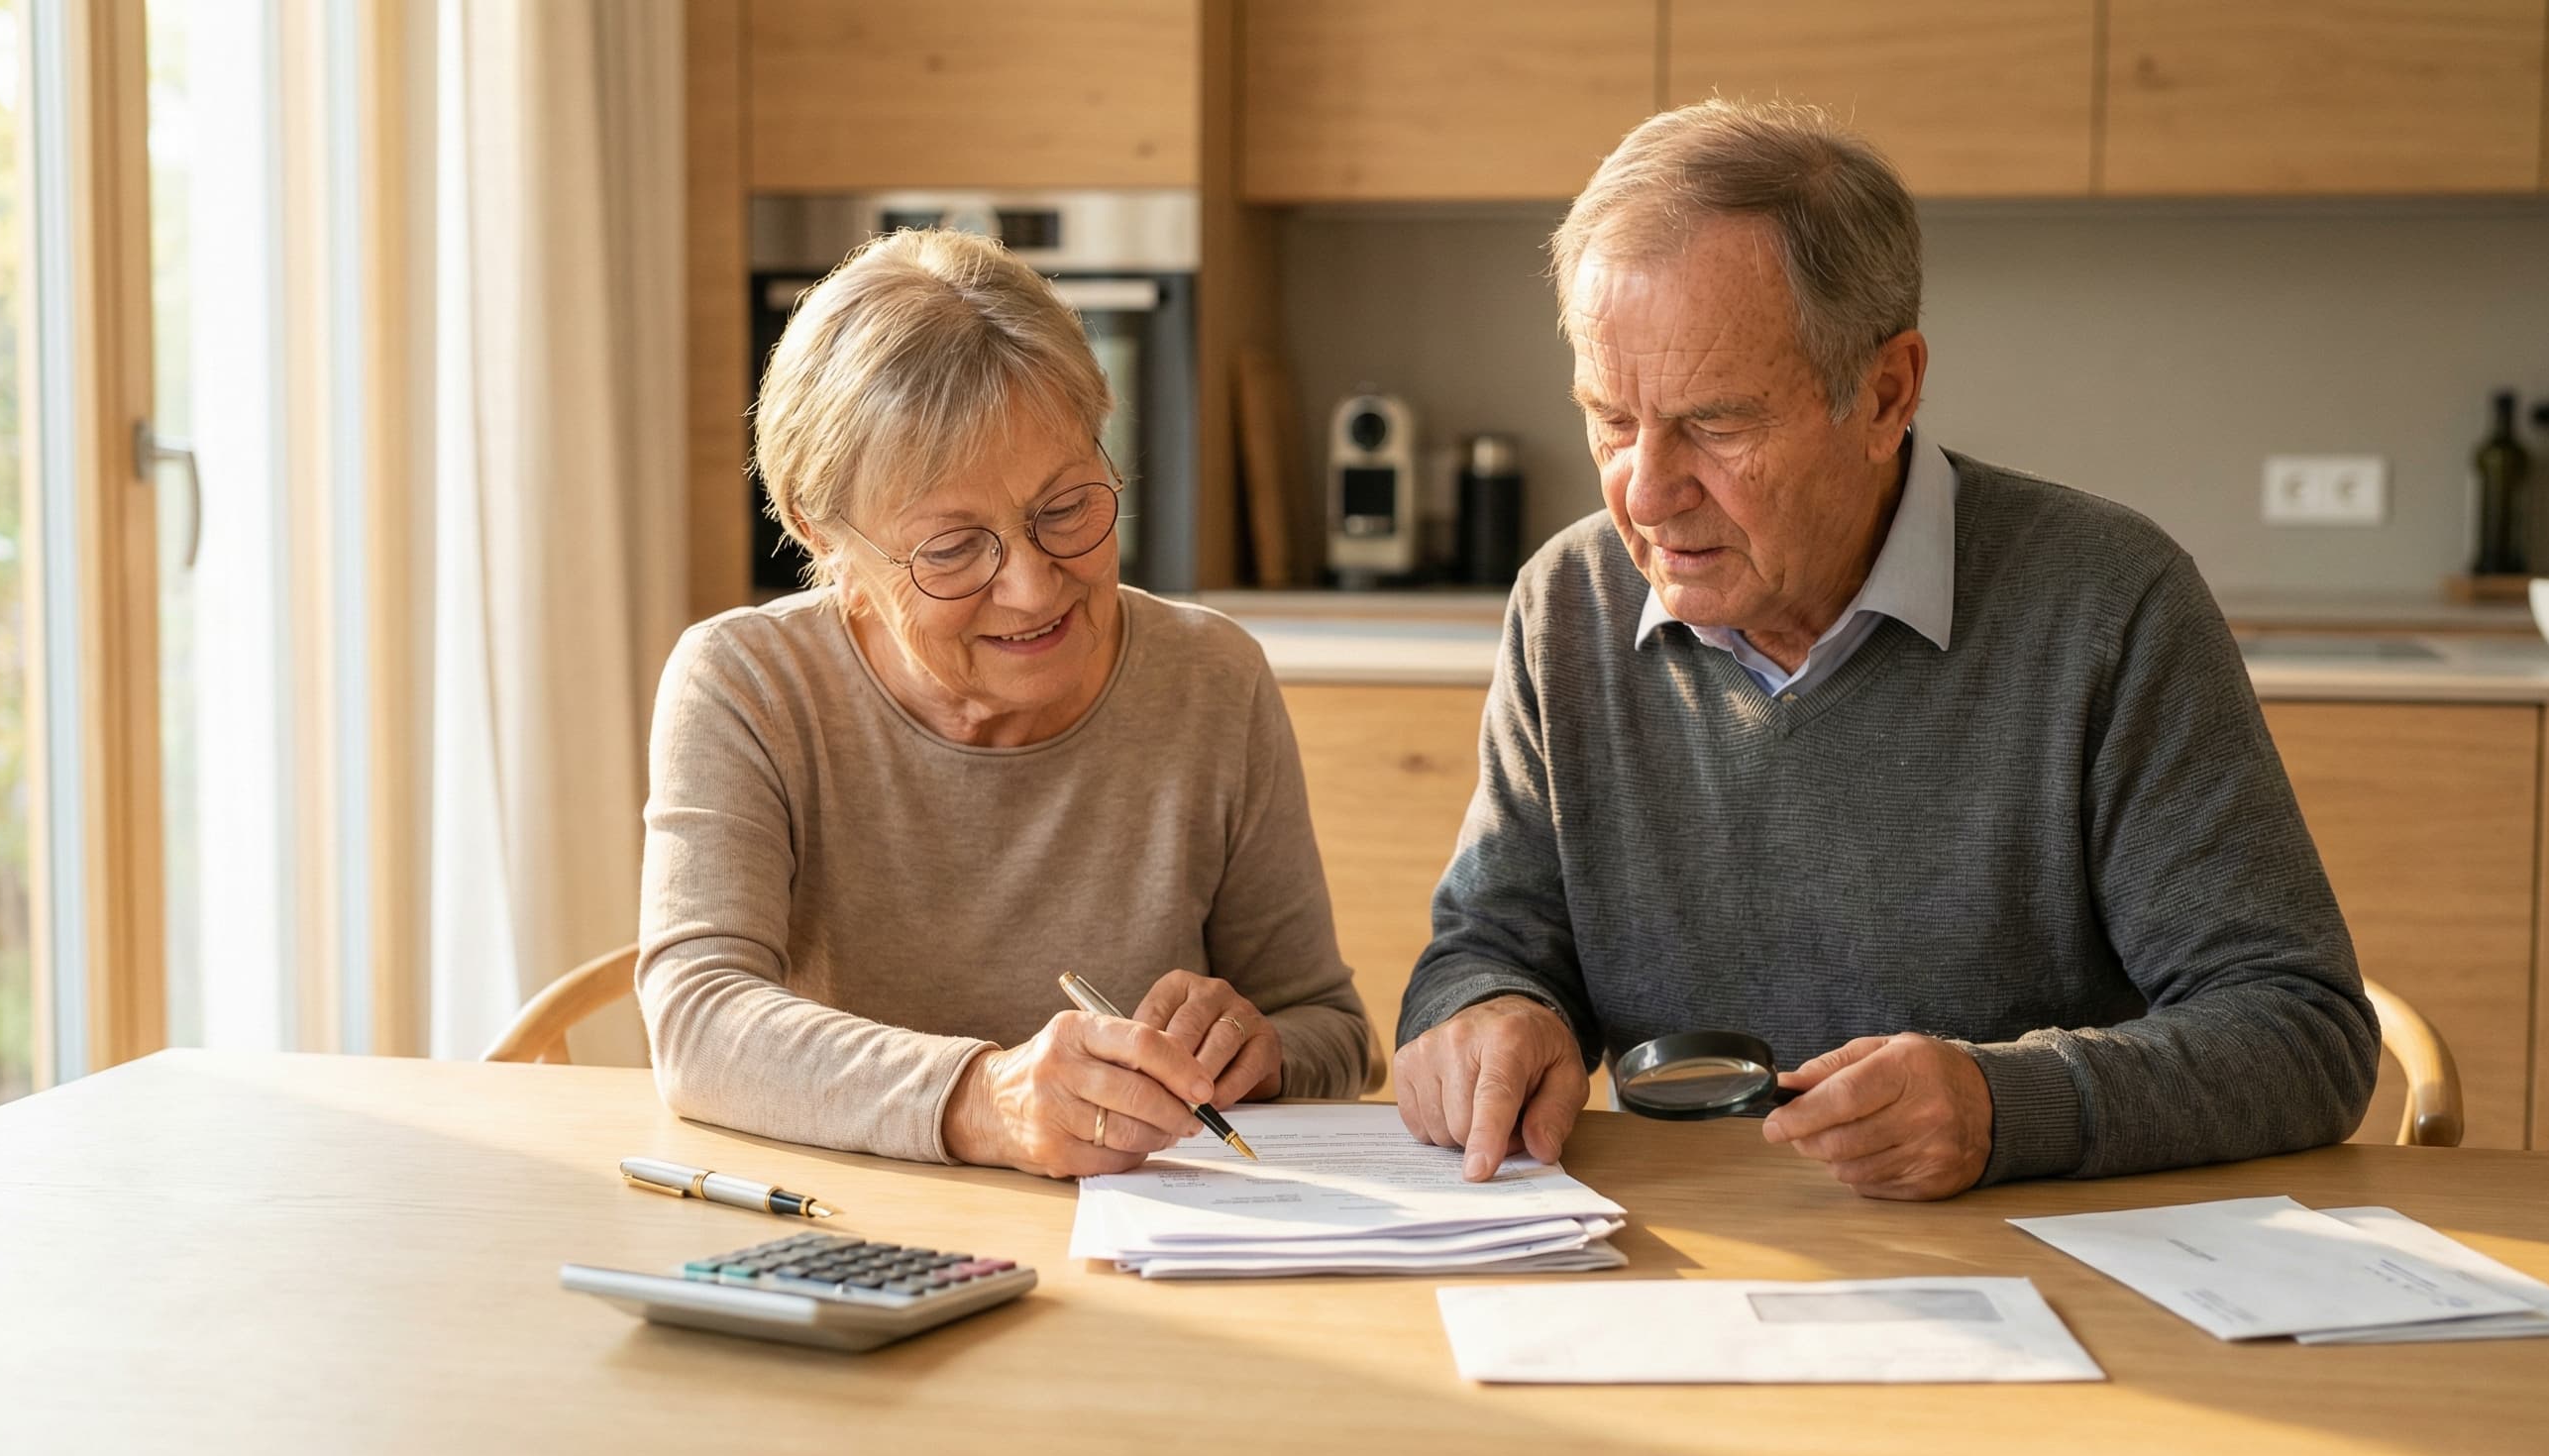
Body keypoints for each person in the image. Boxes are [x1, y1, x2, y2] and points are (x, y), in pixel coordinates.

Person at [1393, 100, 2377, 1199]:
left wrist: (2005, 1106)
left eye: (1716, 425)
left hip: (2044, 1283)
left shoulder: (2108, 603)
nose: (1647, 493)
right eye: (1611, 419)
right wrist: (1483, 1017)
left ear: (1886, 393)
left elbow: (2303, 1034)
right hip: (1687, 1268)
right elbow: (1483, 949)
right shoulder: (1564, 605)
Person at [641, 228, 1367, 1179]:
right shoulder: (747, 685)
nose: (1033, 586)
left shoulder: (1211, 679)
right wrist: (985, 1100)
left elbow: (1334, 1032)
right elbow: (701, 1021)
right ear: (827, 543)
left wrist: (1261, 1052)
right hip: (858, 1236)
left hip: (1149, 1251)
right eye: (951, 548)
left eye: (1066, 509)